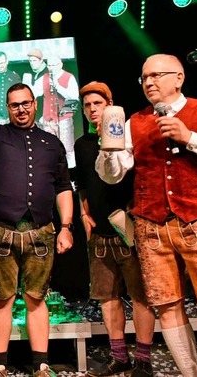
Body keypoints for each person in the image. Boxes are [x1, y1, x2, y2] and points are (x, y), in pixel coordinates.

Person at [96, 54, 197, 377]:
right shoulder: (133, 121)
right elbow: (112, 175)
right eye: (144, 78)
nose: (149, 83)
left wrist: (190, 137)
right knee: (166, 303)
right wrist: (108, 152)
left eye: (156, 75)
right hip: (151, 223)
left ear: (178, 78)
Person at [0, 80, 74, 377]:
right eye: (14, 105)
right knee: (2, 298)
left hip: (42, 232)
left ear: (34, 103)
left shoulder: (52, 144)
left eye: (26, 103)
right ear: (8, 108)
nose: (21, 109)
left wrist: (66, 226)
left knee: (36, 298)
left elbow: (64, 188)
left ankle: (41, 364)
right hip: (1, 231)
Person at [75, 82, 155, 377]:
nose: (93, 109)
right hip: (100, 233)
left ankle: (143, 360)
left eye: (98, 103)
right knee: (108, 297)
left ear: (109, 104)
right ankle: (119, 356)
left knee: (140, 296)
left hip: (130, 229)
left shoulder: (129, 136)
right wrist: (84, 214)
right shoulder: (82, 144)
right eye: (87, 105)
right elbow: (83, 183)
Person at [36, 54, 80, 168]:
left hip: (63, 120)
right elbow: (34, 93)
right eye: (49, 65)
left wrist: (58, 87)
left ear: (60, 65)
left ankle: (71, 175)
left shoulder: (69, 77)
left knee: (67, 149)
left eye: (53, 65)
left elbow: (74, 96)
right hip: (48, 121)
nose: (51, 68)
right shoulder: (44, 78)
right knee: (49, 149)